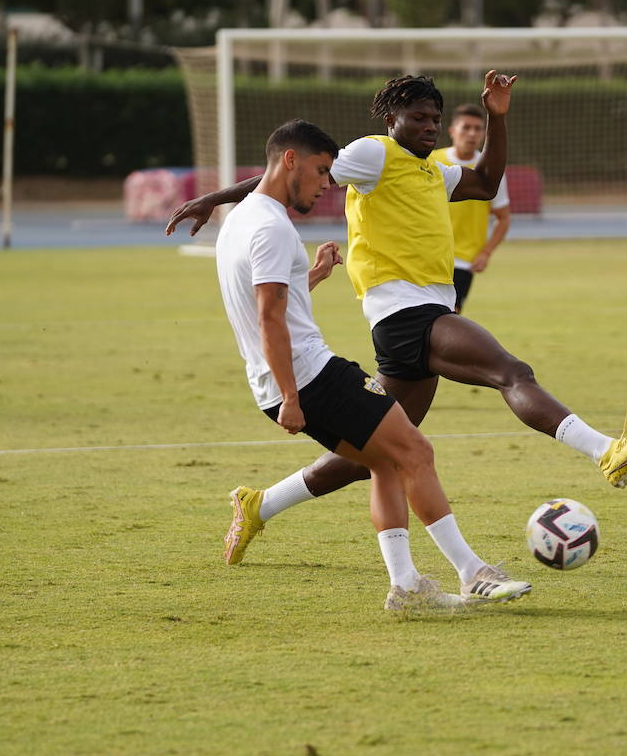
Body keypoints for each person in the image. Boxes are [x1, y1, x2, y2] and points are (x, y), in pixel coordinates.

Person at [167, 71, 627, 566]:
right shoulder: (372, 154)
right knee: (510, 372)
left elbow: (489, 182)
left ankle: (260, 504)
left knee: (375, 455)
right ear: (393, 119)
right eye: (420, 117)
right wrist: (217, 199)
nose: (431, 126)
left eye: (436, 119)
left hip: (426, 312)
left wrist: (496, 118)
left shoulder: (433, 171)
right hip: (404, 313)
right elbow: (291, 174)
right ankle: (606, 452)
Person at [210, 117, 532, 609]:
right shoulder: (273, 227)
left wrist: (310, 276)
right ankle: (472, 572)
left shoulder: (241, 220)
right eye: (321, 172)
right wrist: (293, 398)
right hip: (310, 376)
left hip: (275, 383)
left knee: (383, 463)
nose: (326, 186)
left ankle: (406, 588)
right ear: (290, 160)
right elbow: (270, 319)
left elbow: (264, 305)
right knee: (415, 452)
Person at [431, 103, 512, 312]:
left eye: (477, 129)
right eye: (466, 127)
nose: (472, 133)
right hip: (427, 254)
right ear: (452, 131)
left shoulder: (490, 170)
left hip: (462, 260)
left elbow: (503, 217)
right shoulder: (431, 161)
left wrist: (486, 252)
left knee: (449, 317)